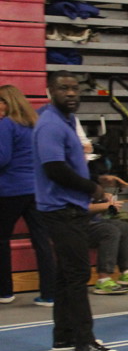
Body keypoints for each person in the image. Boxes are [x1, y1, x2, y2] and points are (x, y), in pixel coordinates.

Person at [32, 71, 119, 351]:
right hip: (61, 210)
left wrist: (96, 179)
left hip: (69, 208)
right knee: (78, 274)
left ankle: (64, 335)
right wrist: (92, 188)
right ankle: (84, 342)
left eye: (74, 88)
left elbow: (68, 164)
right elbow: (54, 169)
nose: (70, 93)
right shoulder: (50, 125)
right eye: (63, 88)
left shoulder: (67, 121)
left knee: (65, 274)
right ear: (50, 91)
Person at [0, 84, 57, 307]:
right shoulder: (35, 123)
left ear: (6, 103)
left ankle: (4, 291)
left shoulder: (6, 124)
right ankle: (49, 293)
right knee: (42, 240)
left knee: (2, 240)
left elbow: (2, 158)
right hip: (36, 188)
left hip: (10, 189)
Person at [87, 192, 128, 294]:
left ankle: (126, 273)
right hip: (75, 225)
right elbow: (80, 209)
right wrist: (105, 205)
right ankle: (103, 280)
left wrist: (103, 198)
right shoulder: (70, 189)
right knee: (109, 230)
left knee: (124, 227)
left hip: (94, 222)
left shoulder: (89, 187)